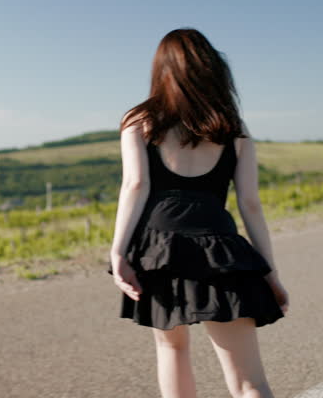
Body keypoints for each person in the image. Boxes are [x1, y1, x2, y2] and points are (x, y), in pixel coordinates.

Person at [106, 28, 290, 398]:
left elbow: (136, 186)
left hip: (159, 252)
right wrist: (269, 272)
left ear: (162, 70)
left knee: (171, 348)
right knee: (248, 381)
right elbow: (250, 203)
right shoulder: (233, 130)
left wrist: (118, 252)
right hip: (223, 252)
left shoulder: (139, 121)